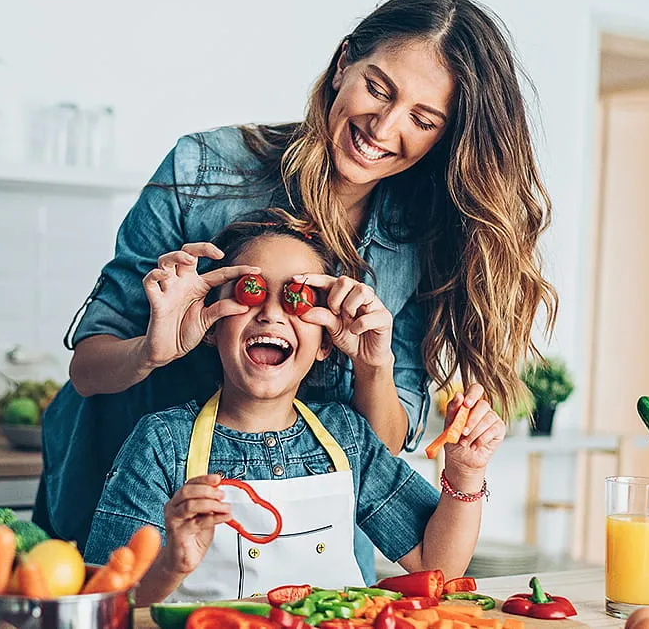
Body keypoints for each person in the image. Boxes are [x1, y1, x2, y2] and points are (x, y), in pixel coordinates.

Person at [35, 0, 557, 583]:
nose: (384, 127)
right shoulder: (203, 170)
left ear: (446, 134)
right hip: (142, 501)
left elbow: (379, 445)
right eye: (378, 88)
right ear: (343, 65)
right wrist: (151, 349)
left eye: (423, 118)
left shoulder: (425, 235)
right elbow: (89, 367)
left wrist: (372, 364)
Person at [83, 210, 506, 603]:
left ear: (325, 341)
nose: (271, 313)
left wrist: (465, 473)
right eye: (251, 293)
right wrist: (172, 565)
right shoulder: (162, 442)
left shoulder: (348, 435)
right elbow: (108, 601)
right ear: (212, 324)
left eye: (297, 298)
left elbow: (437, 565)